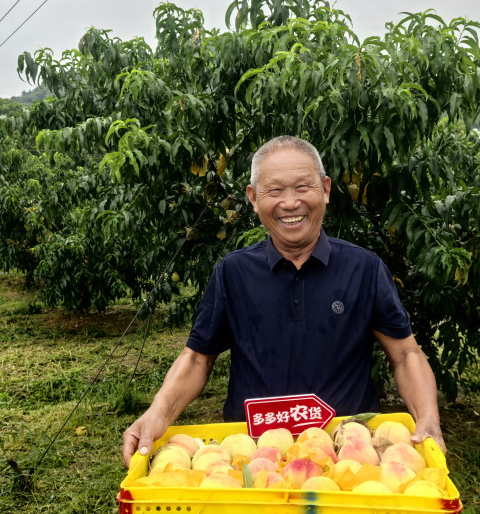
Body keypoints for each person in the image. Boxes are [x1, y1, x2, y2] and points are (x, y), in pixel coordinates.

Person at [122, 135, 446, 469]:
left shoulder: (363, 269)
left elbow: (406, 354)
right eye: (274, 191)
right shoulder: (233, 273)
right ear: (253, 198)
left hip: (348, 457)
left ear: (325, 189)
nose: (290, 203)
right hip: (250, 457)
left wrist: (428, 418)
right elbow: (196, 359)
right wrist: (157, 413)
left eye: (303, 187)